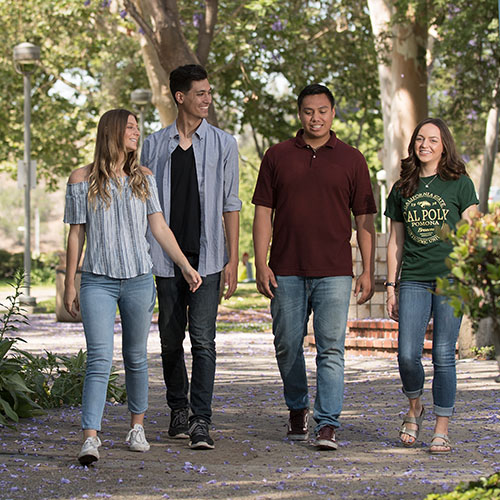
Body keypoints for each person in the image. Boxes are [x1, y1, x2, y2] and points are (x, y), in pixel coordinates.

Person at [63, 109, 202, 466]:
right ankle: (90, 438)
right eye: (130, 127)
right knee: (99, 359)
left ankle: (135, 428)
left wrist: (185, 266)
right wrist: (69, 283)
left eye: (138, 127)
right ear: (111, 131)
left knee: (136, 358)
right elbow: (76, 233)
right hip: (97, 281)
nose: (136, 132)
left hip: (139, 280)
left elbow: (160, 229)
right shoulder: (82, 179)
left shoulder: (144, 178)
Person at [252, 83, 376, 450]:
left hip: (335, 271)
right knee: (287, 344)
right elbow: (262, 213)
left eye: (322, 111)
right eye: (309, 111)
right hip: (286, 268)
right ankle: (297, 408)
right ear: (299, 114)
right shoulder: (277, 156)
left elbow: (365, 218)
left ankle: (327, 423)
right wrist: (261, 263)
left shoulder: (352, 159)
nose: (315, 117)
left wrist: (368, 269)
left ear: (333, 113)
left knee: (331, 348)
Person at [141, 64, 241, 450]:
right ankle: (177, 410)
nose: (207, 99)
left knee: (203, 340)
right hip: (166, 259)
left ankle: (201, 420)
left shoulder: (224, 143)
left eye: (209, 93)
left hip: (209, 256)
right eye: (200, 93)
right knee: (169, 340)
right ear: (180, 97)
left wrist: (231, 258)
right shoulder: (153, 144)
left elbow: (231, 204)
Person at [385, 117, 478, 454]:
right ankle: (415, 407)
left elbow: (472, 231)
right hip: (413, 278)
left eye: (433, 140)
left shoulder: (459, 184)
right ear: (414, 144)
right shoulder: (402, 189)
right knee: (408, 354)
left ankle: (441, 426)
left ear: (444, 146)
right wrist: (391, 287)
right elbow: (396, 243)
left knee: (443, 354)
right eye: (420, 139)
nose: (425, 145)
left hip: (451, 278)